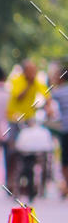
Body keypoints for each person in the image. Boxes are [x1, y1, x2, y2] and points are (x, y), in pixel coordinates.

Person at [6, 60, 51, 194]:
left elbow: (46, 96)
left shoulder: (37, 82)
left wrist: (49, 107)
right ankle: (11, 180)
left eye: (34, 71)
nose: (33, 74)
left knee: (38, 148)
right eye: (30, 71)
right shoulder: (16, 80)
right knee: (12, 151)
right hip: (14, 118)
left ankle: (40, 185)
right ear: (24, 71)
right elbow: (19, 97)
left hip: (29, 119)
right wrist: (28, 85)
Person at [50, 62, 68, 197]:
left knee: (65, 159)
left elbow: (48, 106)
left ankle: (66, 186)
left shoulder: (58, 92)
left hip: (65, 129)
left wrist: (53, 82)